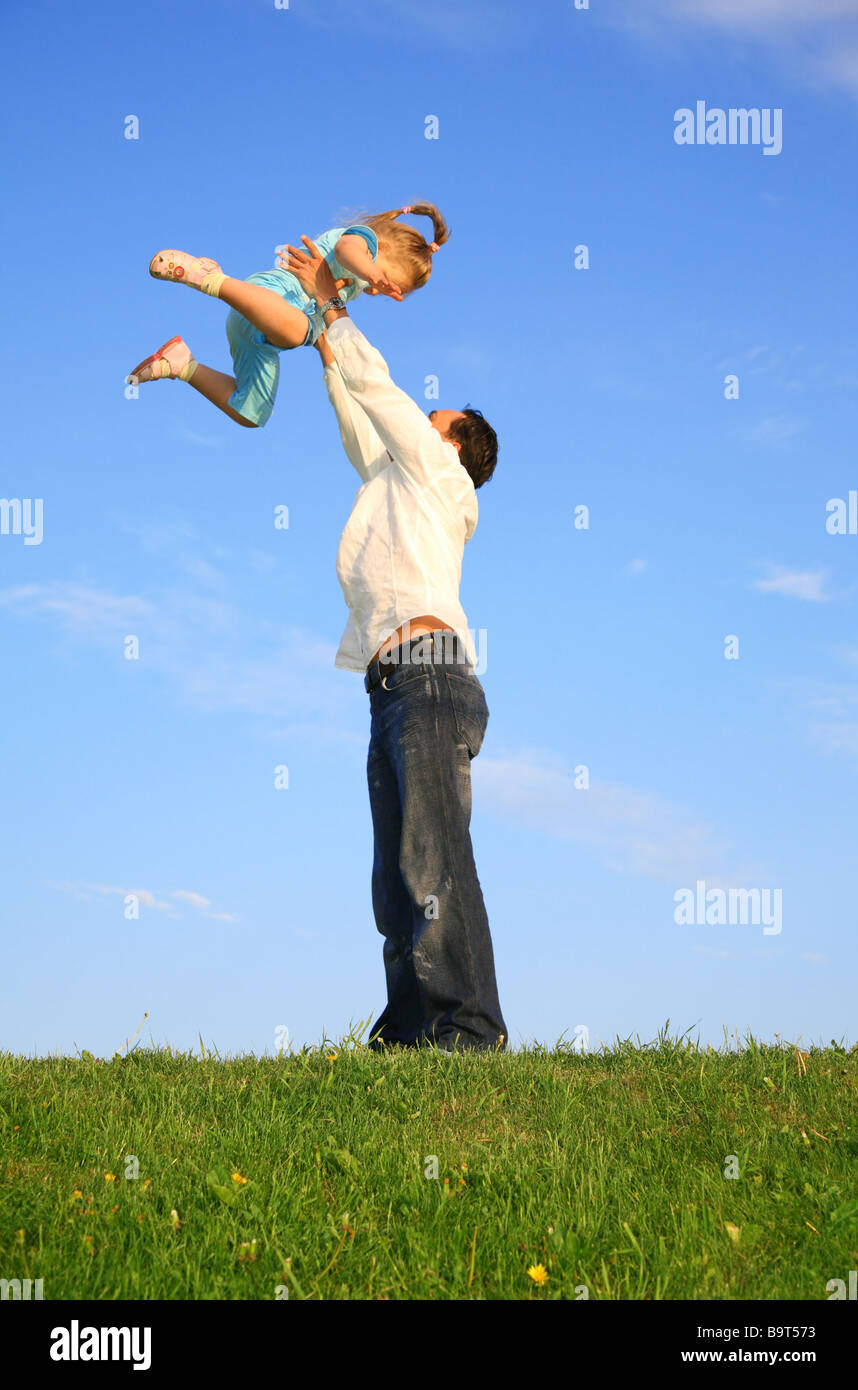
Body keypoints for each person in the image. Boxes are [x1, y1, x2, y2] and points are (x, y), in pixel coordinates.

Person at [283, 235, 508, 1053]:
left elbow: (382, 395)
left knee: (432, 863)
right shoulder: (395, 477)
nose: (421, 418)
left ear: (450, 443)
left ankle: (468, 1029)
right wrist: (320, 337)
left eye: (432, 418)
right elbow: (361, 413)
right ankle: (411, 1032)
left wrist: (338, 308)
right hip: (390, 687)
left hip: (431, 679)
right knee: (397, 881)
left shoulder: (442, 479)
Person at [125, 202, 448, 429]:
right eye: (389, 280)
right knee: (299, 332)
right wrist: (372, 273)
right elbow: (345, 252)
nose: (379, 290)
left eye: (391, 290)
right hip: (273, 295)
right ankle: (210, 278)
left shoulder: (357, 280)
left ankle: (182, 365)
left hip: (260, 337)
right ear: (386, 247)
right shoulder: (362, 239)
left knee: (252, 413)